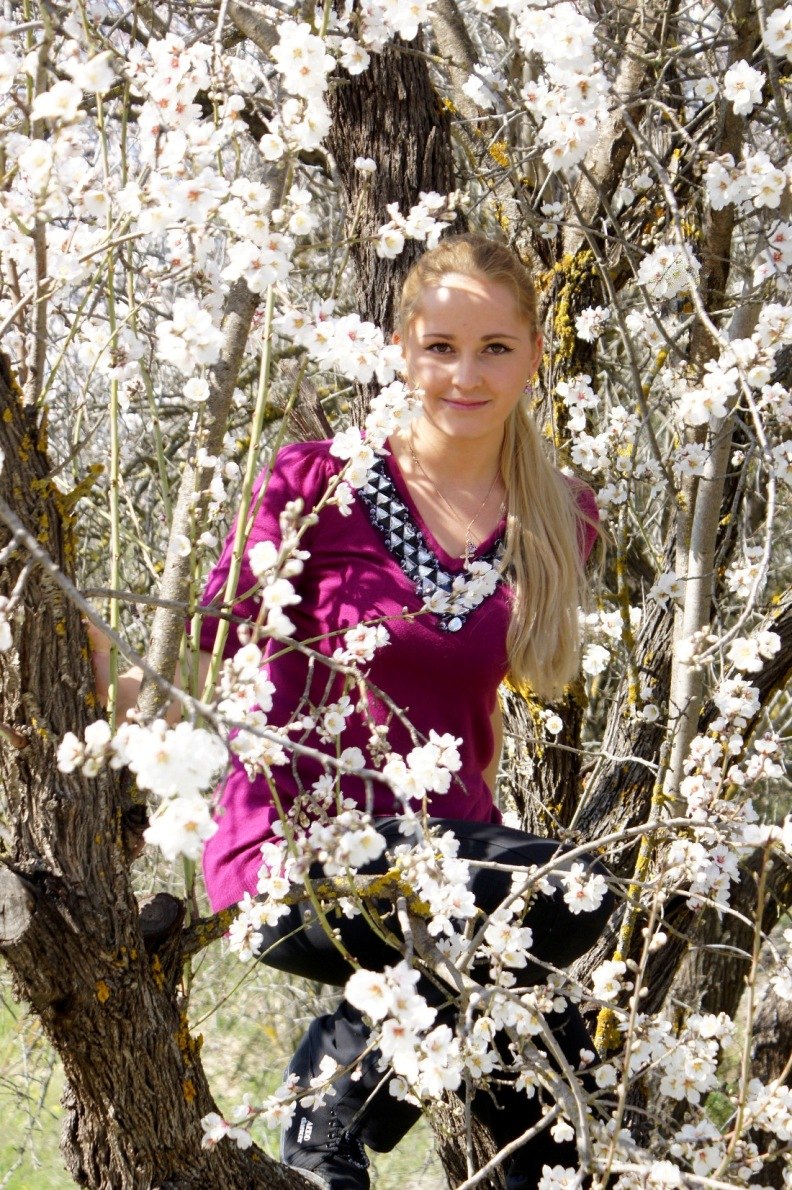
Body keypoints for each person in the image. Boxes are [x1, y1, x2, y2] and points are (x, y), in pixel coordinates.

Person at [101, 234, 614, 1190]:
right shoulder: (317, 482)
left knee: (562, 1123)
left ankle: (331, 1141)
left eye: (495, 348)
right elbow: (201, 659)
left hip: (460, 884)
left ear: (534, 356)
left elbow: (480, 712)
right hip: (296, 858)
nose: (466, 374)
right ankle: (324, 1105)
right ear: (401, 349)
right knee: (569, 890)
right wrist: (80, 665)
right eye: (441, 347)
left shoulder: (557, 517)